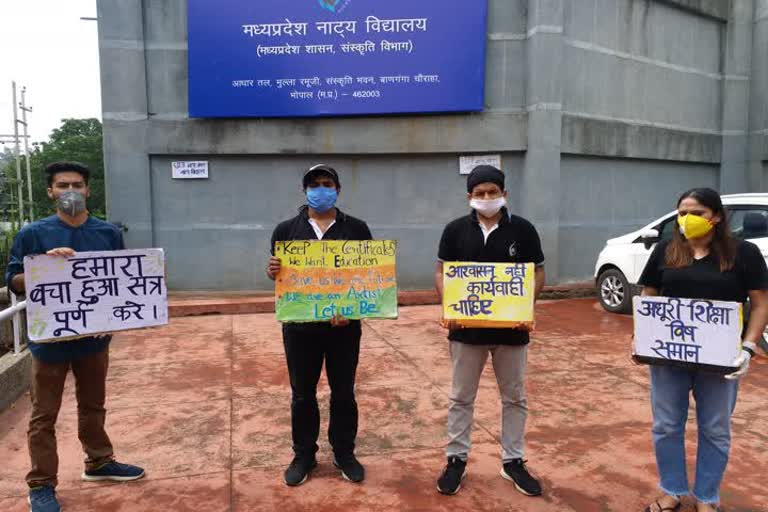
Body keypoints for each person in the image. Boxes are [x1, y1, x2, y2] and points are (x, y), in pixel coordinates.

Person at [6, 162, 145, 512]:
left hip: (94, 337)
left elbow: (123, 278)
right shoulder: (32, 234)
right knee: (44, 414)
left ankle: (99, 462)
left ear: (88, 190)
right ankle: (41, 483)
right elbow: (14, 281)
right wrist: (43, 267)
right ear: (50, 191)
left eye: (78, 185)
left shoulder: (108, 233)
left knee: (94, 403)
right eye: (63, 185)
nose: (71, 191)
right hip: (49, 340)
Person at [636, 188, 768, 512]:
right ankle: (672, 490)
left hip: (721, 360)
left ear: (717, 217)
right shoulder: (666, 250)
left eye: (697, 213)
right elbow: (649, 291)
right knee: (666, 425)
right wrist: (644, 335)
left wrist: (748, 347)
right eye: (682, 213)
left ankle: (707, 496)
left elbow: (761, 304)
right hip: (668, 356)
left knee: (715, 428)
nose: (687, 219)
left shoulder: (744, 253)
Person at [434, 165, 546, 497]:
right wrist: (449, 306)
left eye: (492, 192)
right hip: (466, 331)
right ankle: (456, 460)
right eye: (479, 193)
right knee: (460, 397)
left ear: (504, 194)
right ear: (469, 197)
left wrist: (526, 307)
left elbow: (538, 273)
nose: (486, 198)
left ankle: (513, 461)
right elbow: (441, 271)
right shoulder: (454, 230)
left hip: (511, 332)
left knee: (515, 398)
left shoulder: (523, 230)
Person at [267, 164, 372, 486]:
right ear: (305, 190)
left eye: (327, 184)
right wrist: (273, 272)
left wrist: (353, 308)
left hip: (344, 328)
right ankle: (304, 454)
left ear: (337, 190)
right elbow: (282, 278)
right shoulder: (285, 231)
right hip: (300, 329)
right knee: (302, 394)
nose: (321, 189)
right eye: (314, 184)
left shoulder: (357, 228)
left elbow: (368, 277)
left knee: (343, 392)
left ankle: (344, 452)